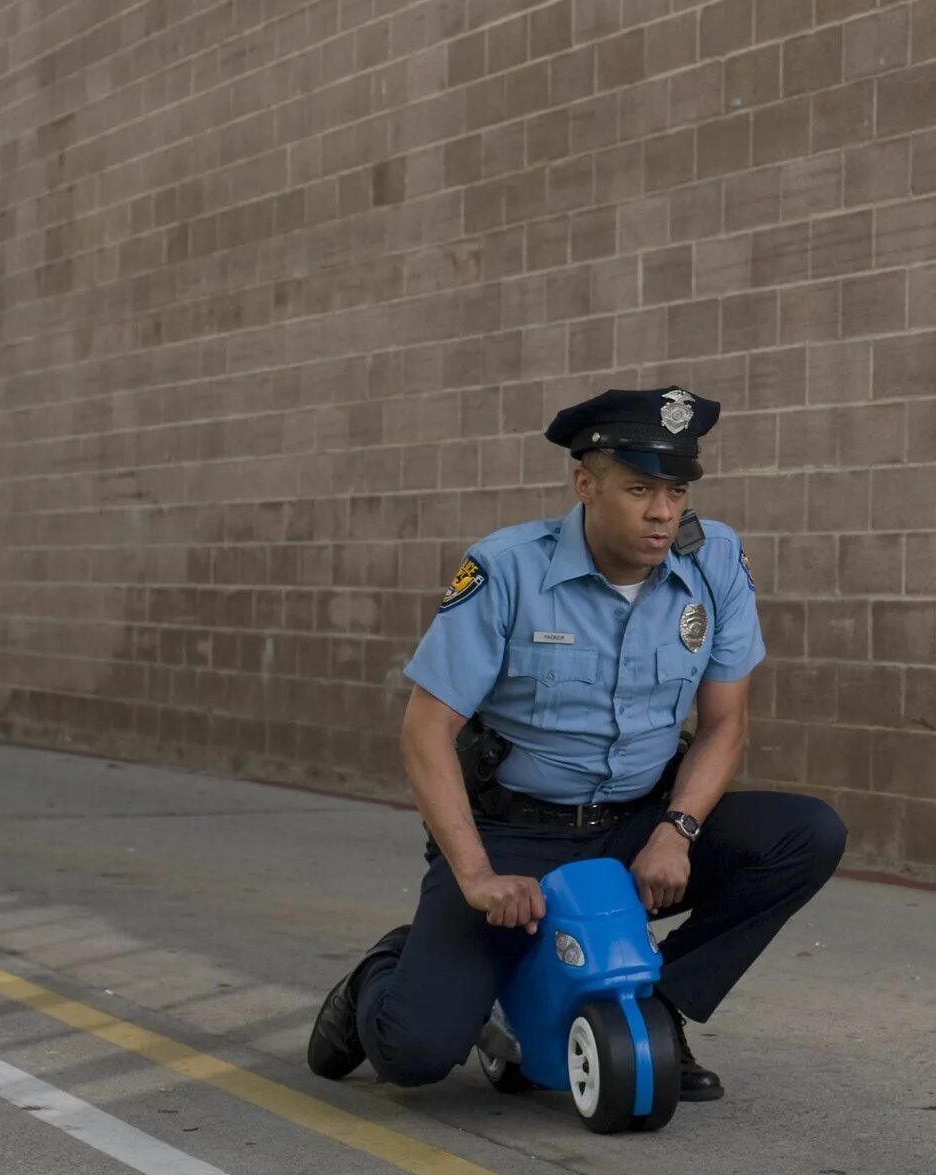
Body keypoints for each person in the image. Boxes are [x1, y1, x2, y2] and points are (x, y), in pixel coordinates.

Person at [306, 387, 846, 1102]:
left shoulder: (713, 564)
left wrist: (677, 831)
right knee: (417, 1052)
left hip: (635, 829)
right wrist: (474, 876)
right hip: (512, 839)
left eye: (676, 489)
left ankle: (657, 1008)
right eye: (640, 489)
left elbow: (725, 724)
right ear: (585, 483)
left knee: (805, 833)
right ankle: (384, 971)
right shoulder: (508, 570)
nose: (663, 511)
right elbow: (425, 731)